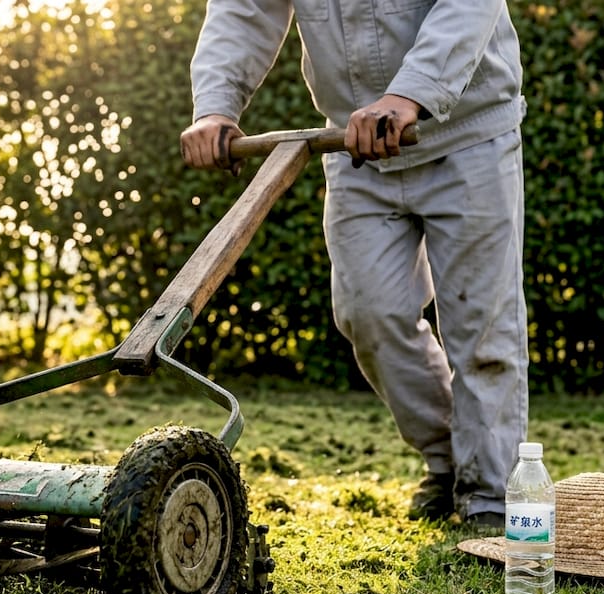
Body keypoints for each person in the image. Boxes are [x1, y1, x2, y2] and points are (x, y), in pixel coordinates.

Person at [179, 0, 529, 530]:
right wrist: (215, 107)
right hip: (355, 145)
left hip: (468, 133)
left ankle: (490, 495)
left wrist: (410, 94)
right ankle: (449, 456)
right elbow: (244, 10)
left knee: (482, 326)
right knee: (369, 314)